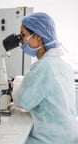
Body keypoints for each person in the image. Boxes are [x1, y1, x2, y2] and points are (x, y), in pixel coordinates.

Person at [15, 12, 78, 144]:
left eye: (23, 35)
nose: (21, 40)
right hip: (68, 134)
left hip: (50, 139)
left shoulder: (45, 68)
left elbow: (22, 102)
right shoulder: (63, 64)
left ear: (37, 36)